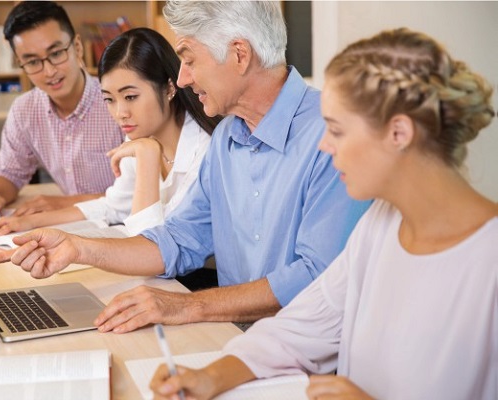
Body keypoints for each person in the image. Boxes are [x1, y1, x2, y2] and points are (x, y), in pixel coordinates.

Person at [150, 28, 498, 400]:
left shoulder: (487, 263)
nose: (323, 145)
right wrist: (210, 377)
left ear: (398, 133)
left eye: (337, 130)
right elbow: (303, 327)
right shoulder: (380, 226)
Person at [0, 1, 369, 334]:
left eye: (188, 58)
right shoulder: (228, 137)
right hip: (237, 337)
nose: (181, 78)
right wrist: (77, 248)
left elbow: (314, 278)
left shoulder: (331, 134)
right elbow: (179, 239)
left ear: (239, 55)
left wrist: (188, 306)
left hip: (305, 357)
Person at [0, 27, 219, 242]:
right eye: (109, 99)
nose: (120, 113)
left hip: (200, 281)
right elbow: (114, 206)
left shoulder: (207, 149)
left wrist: (147, 156)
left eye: (131, 97)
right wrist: (27, 223)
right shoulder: (139, 137)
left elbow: (153, 245)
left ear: (168, 88)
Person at [0, 1, 124, 219]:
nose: (49, 71)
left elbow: (143, 193)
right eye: (33, 62)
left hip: (124, 228)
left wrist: (66, 204)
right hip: (70, 228)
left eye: (56, 54)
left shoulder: (118, 102)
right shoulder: (25, 110)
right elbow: (10, 173)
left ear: (77, 48)